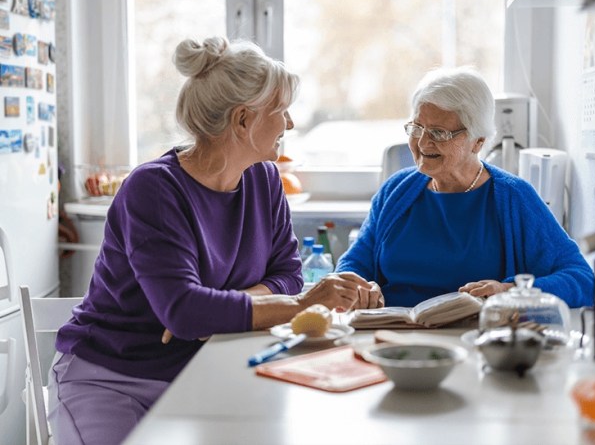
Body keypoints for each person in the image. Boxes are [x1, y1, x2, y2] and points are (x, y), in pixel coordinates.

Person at [48, 36, 382, 445]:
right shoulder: (152, 189)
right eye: (280, 111)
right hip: (112, 378)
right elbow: (186, 313)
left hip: (201, 370)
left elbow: (288, 273)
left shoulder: (264, 179)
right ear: (243, 120)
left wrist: (219, 307)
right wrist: (297, 306)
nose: (290, 124)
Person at [336, 66, 594, 309]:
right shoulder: (396, 190)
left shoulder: (514, 197)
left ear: (477, 142)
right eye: (417, 128)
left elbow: (583, 279)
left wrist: (509, 292)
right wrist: (359, 287)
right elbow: (353, 264)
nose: (423, 142)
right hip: (391, 336)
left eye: (439, 133)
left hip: (475, 342)